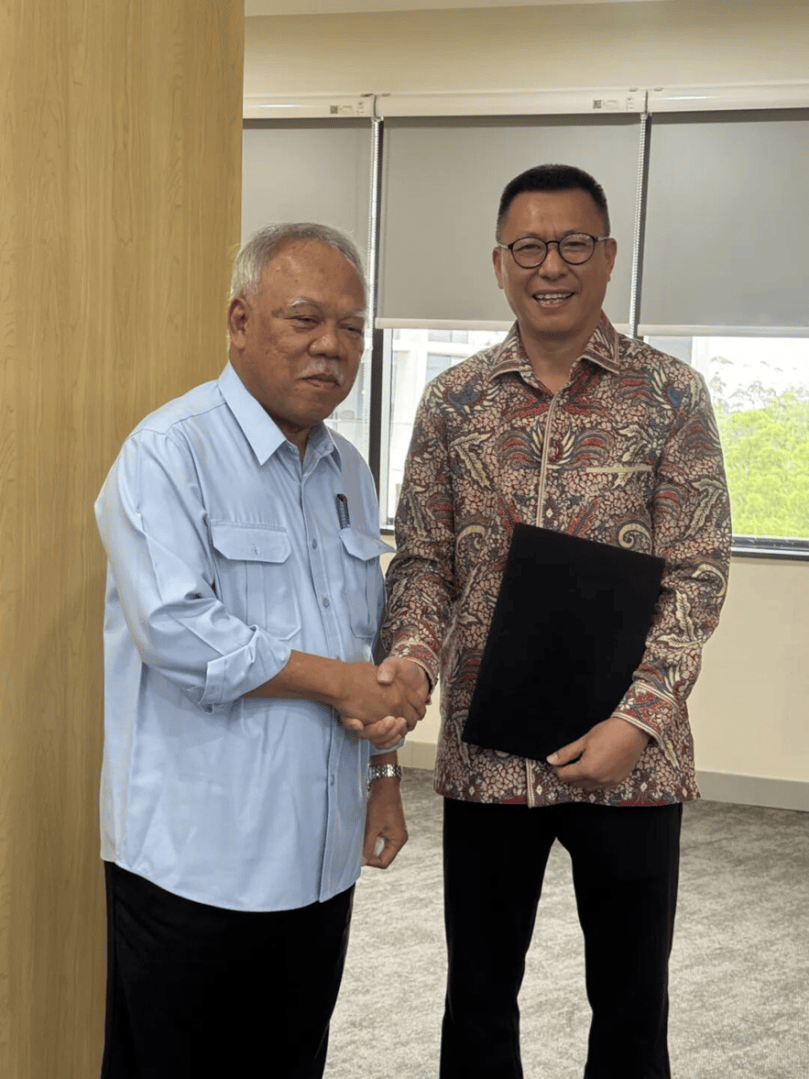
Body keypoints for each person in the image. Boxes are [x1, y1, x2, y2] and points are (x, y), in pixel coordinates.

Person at [382, 164, 731, 1079]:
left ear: (607, 256)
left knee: (630, 998)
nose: (551, 266)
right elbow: (422, 562)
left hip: (632, 757)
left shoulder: (671, 394)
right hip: (488, 755)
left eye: (573, 244)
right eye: (529, 246)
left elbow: (696, 572)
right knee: (478, 994)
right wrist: (411, 663)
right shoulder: (452, 401)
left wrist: (636, 720)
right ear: (499, 263)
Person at [94, 222, 428, 1079]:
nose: (331, 347)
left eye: (351, 328)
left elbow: (359, 636)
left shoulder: (348, 470)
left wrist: (383, 773)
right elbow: (177, 630)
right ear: (240, 321)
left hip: (316, 860)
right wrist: (340, 682)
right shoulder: (168, 452)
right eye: (304, 319)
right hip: (196, 861)